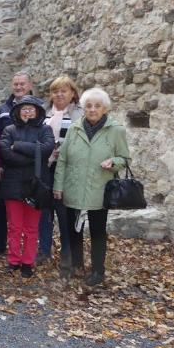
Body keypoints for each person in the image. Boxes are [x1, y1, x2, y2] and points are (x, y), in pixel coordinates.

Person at [53, 88, 129, 286]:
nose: (92, 109)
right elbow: (62, 160)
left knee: (97, 231)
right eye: (88, 105)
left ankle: (98, 270)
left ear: (105, 108)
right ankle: (77, 264)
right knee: (73, 230)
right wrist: (58, 186)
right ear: (83, 108)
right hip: (74, 186)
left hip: (99, 188)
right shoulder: (74, 128)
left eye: (97, 106)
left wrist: (114, 161)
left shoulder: (116, 131)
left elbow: (125, 158)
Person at [0, 96, 54, 278]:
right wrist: (32, 155)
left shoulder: (45, 129)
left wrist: (19, 146)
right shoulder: (9, 129)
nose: (27, 111)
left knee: (31, 227)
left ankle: (27, 262)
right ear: (17, 111)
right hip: (13, 184)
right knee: (15, 226)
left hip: (35, 184)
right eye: (24, 108)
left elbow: (46, 149)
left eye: (31, 108)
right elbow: (5, 153)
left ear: (37, 111)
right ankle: (13, 260)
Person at [38, 76, 83, 268]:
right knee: (43, 210)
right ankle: (44, 250)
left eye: (63, 91)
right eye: (55, 91)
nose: (59, 94)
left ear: (72, 93)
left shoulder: (79, 114)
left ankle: (67, 253)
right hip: (45, 167)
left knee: (65, 212)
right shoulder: (44, 112)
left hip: (67, 168)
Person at [0, 72, 34, 256]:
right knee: (1, 207)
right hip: (7, 166)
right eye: (15, 84)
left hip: (31, 167)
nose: (18, 87)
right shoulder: (3, 109)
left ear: (29, 85)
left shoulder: (37, 107)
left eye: (22, 84)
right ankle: (0, 243)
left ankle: (29, 247)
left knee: (30, 207)